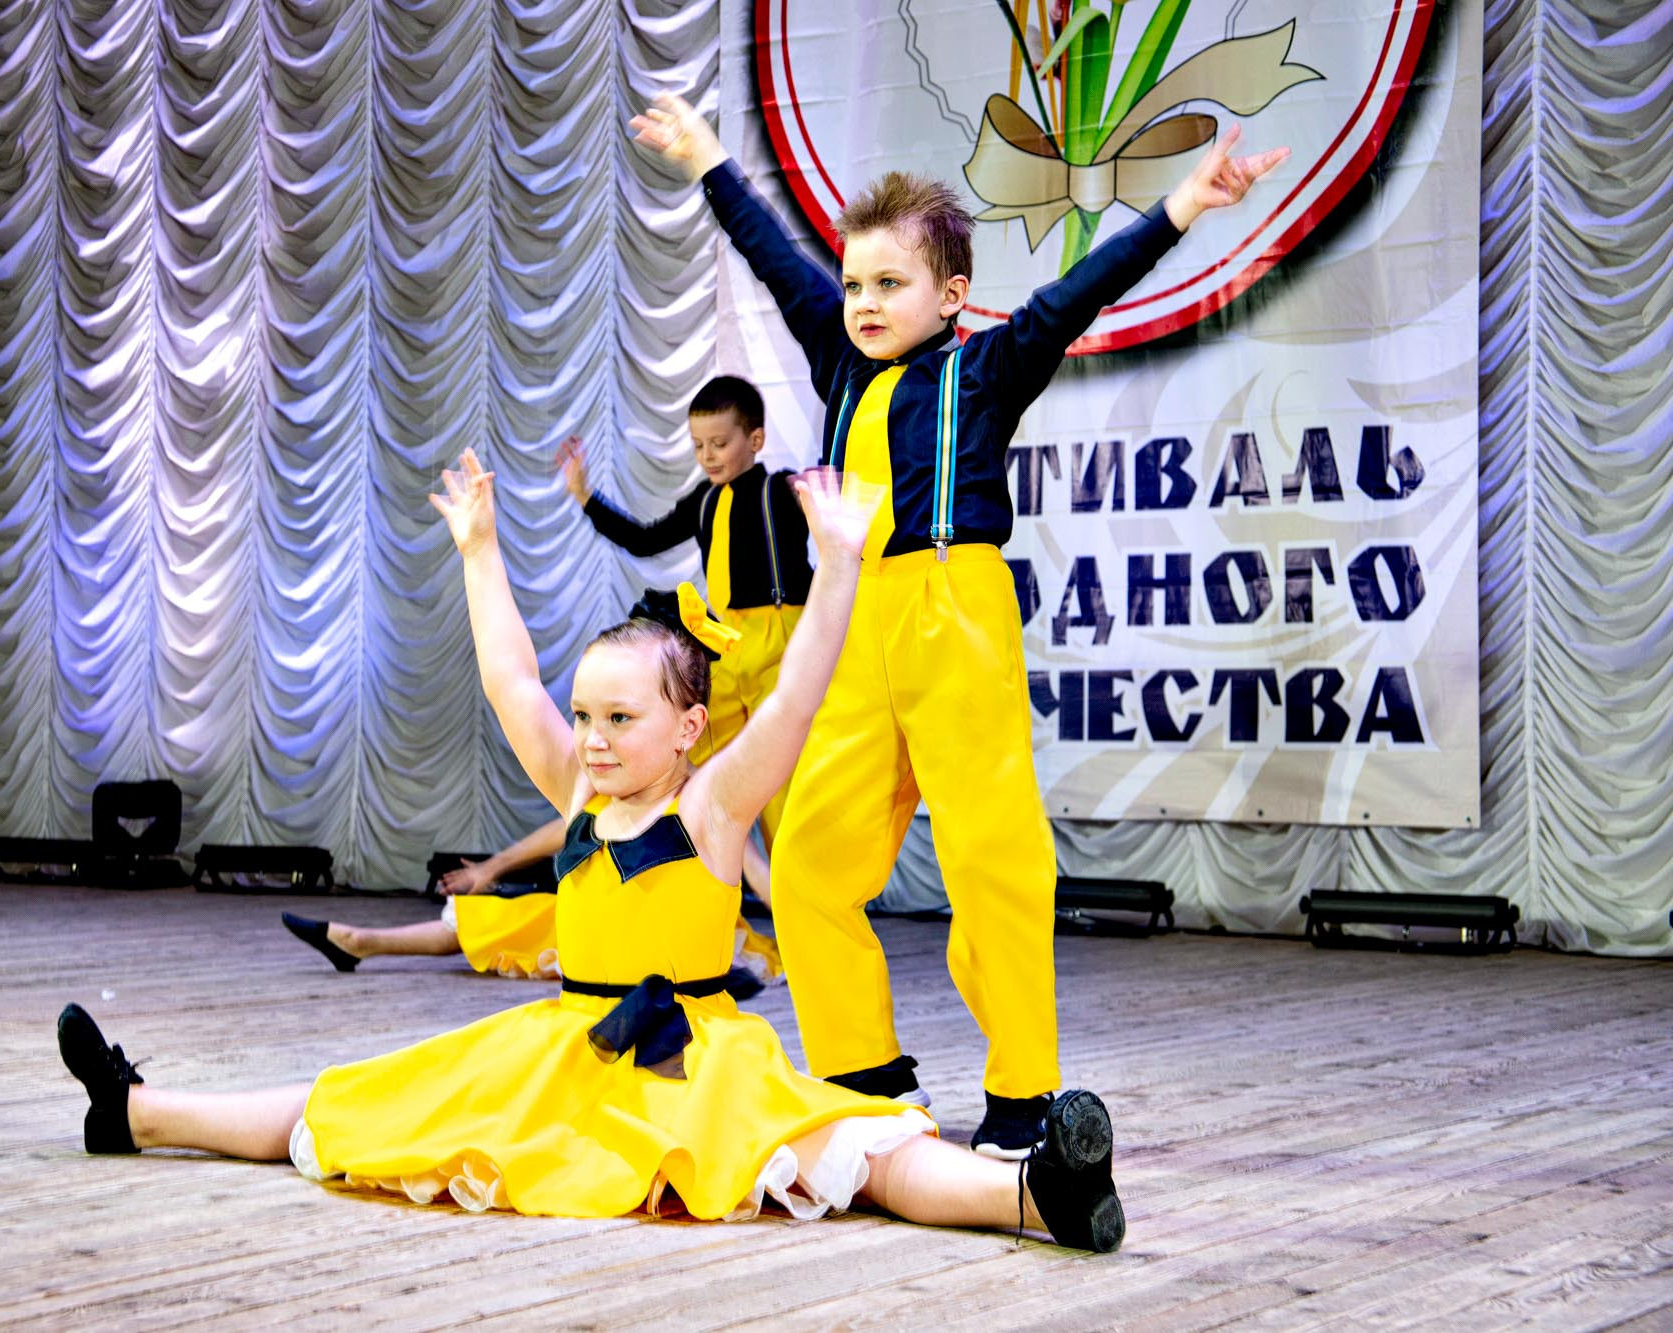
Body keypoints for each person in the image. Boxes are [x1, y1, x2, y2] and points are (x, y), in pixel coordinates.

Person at [56, 450, 1124, 1249]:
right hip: (567, 1045)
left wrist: (839, 564)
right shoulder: (574, 789)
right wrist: (478, 552)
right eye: (589, 716)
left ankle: (1038, 1194)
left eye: (621, 719)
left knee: (869, 1155)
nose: (597, 737)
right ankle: (134, 1109)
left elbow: (795, 700)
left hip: (695, 1056)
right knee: (347, 1099)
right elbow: (510, 681)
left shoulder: (709, 812)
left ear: (687, 728)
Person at [631, 92, 1289, 1156]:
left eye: (888, 283)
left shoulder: (985, 368)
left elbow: (1081, 290)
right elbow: (766, 251)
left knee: (992, 860)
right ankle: (864, 1076)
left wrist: (1180, 206)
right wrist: (706, 154)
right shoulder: (838, 358)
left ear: (950, 294)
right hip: (846, 628)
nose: (861, 300)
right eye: (853, 283)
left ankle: (1022, 1095)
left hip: (953, 613)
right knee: (806, 865)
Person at [559, 374, 810, 846]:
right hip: (724, 644)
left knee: (783, 781)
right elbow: (645, 539)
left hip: (781, 642)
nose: (708, 456)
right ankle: (701, 884)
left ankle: (794, 902)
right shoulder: (704, 500)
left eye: (719, 443)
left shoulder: (781, 491)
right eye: (698, 445)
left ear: (755, 439)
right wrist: (585, 496)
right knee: (689, 752)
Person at [280, 811, 785, 988]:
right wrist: (491, 867)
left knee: (530, 917)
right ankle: (357, 941)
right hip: (611, 917)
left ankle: (358, 942)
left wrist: (803, 929)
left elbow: (756, 873)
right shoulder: (629, 781)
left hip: (671, 941)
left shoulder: (706, 794)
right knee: (530, 912)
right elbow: (572, 825)